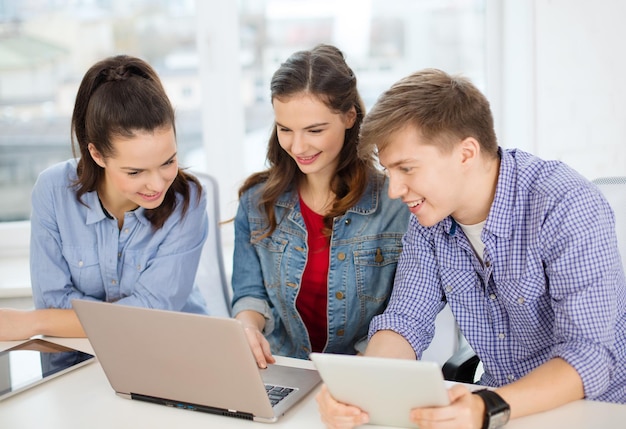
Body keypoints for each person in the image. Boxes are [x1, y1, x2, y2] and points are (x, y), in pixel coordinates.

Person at [316, 68, 626, 428]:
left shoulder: (565, 205)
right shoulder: (429, 218)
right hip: (495, 407)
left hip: (595, 410)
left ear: (465, 154)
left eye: (407, 168)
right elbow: (405, 320)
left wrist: (487, 406)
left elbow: (588, 356)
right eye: (390, 170)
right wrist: (363, 386)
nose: (394, 190)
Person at [0, 55, 209, 341]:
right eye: (135, 171)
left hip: (168, 351)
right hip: (76, 358)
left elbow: (152, 312)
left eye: (168, 162)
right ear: (97, 154)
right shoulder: (52, 191)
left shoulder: (189, 201)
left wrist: (37, 322)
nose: (157, 183)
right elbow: (53, 300)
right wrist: (126, 317)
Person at [231, 44, 410, 368]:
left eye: (314, 130)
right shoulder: (257, 202)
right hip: (281, 366)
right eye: (285, 129)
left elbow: (405, 312)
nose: (297, 147)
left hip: (366, 370)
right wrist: (247, 326)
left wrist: (361, 369)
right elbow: (250, 293)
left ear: (349, 117)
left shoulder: (396, 205)